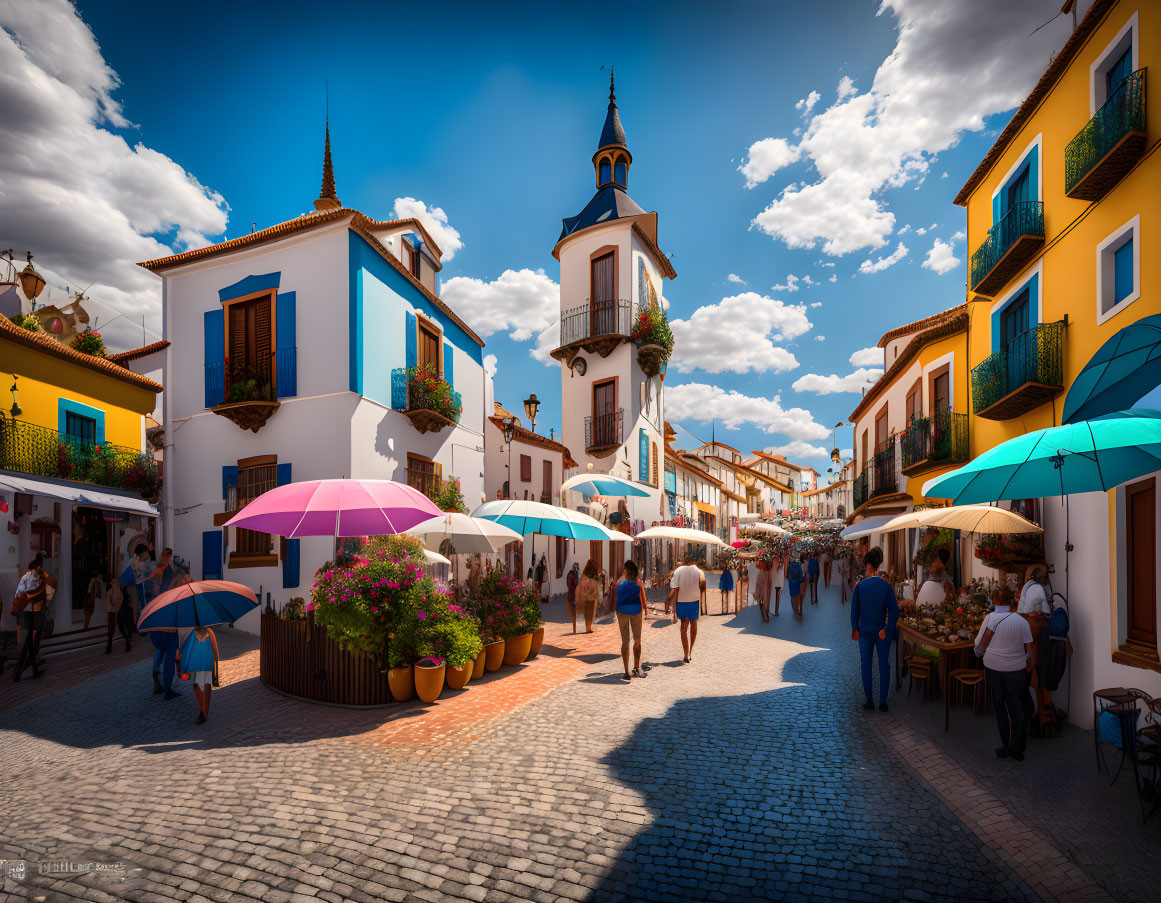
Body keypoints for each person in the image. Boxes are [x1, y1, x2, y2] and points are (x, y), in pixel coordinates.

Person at [975, 586, 1034, 761]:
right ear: (1011, 601)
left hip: (993, 667)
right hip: (1016, 669)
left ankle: (1006, 744)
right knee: (1016, 707)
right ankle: (1017, 748)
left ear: (993, 601)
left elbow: (979, 644)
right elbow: (1029, 649)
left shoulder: (989, 618)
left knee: (999, 706)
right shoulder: (1021, 621)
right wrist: (1027, 663)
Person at [850, 547, 899, 712]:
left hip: (865, 631)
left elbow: (854, 611)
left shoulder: (860, 586)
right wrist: (889, 626)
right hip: (881, 631)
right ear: (878, 565)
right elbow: (894, 610)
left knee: (866, 664)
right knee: (884, 665)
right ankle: (883, 703)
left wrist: (855, 627)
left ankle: (869, 701)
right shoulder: (885, 585)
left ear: (867, 564)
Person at [11, 555, 56, 682]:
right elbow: (48, 595)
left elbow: (18, 594)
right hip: (35, 612)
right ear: (38, 567)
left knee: (29, 641)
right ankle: (21, 667)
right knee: (30, 641)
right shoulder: (39, 578)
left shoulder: (24, 577)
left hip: (24, 613)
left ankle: (31, 670)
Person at [615, 560, 648, 680]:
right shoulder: (638, 582)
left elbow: (615, 597)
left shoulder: (620, 582)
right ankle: (636, 667)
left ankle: (626, 671)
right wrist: (645, 611)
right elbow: (642, 597)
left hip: (622, 612)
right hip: (636, 611)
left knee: (625, 641)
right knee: (637, 639)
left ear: (626, 570)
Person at [180, 625, 220, 724]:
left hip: (195, 665)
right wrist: (215, 663)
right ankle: (204, 712)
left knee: (199, 686)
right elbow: (215, 651)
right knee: (205, 685)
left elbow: (188, 651)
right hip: (207, 664)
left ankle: (202, 713)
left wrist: (185, 667)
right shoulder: (210, 632)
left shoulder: (193, 633)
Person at [669, 554, 705, 663]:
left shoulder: (679, 570)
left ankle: (686, 655)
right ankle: (690, 651)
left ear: (686, 561)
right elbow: (703, 583)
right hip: (694, 601)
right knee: (693, 625)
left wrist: (672, 603)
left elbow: (674, 586)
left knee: (683, 628)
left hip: (682, 602)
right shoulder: (699, 571)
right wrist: (699, 593)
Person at [576, 560, 600, 633]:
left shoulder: (584, 575)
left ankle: (587, 626)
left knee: (586, 610)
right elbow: (597, 585)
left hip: (585, 596)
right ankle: (589, 627)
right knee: (592, 611)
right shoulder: (595, 576)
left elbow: (582, 585)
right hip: (593, 596)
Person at [786, 553, 805, 618]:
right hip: (797, 583)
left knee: (793, 598)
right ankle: (799, 612)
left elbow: (788, 577)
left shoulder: (790, 566)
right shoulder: (798, 565)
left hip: (792, 584)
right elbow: (801, 575)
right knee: (798, 598)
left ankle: (795, 612)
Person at [566, 562, 581, 632]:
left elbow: (569, 584)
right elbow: (576, 584)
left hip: (571, 597)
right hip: (573, 597)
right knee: (574, 614)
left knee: (573, 614)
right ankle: (574, 628)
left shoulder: (570, 574)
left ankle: (574, 628)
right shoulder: (574, 574)